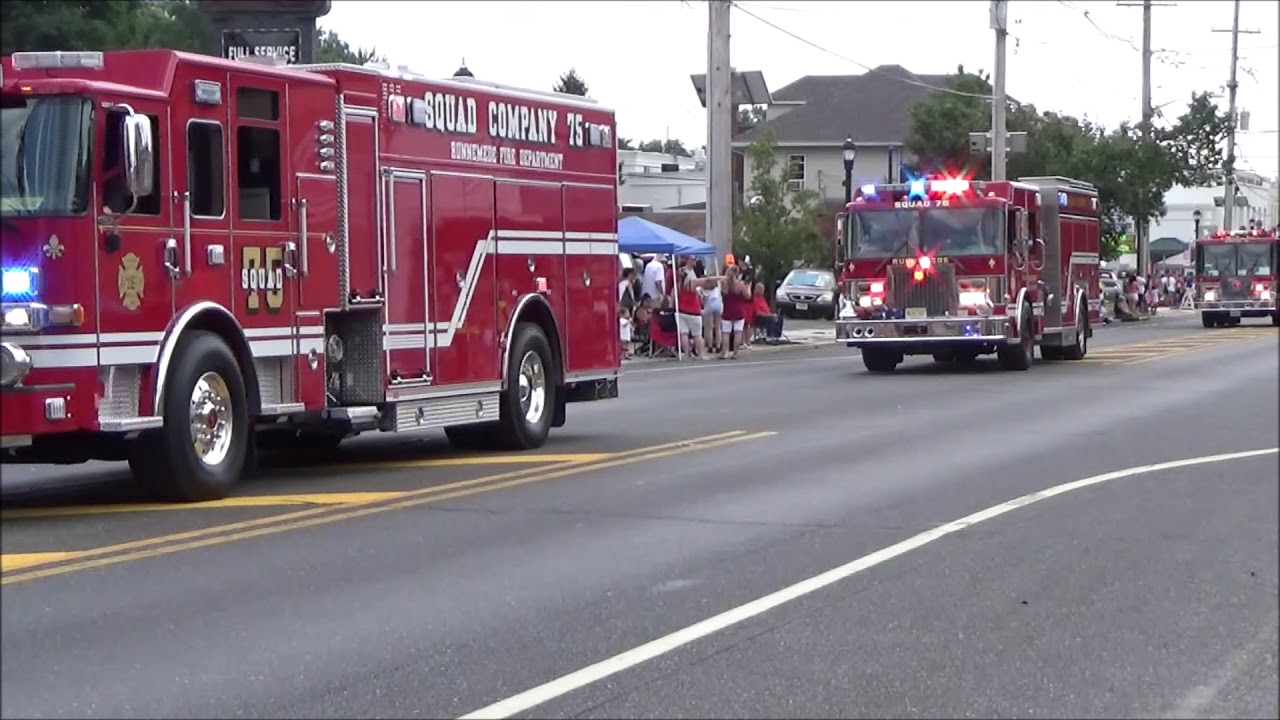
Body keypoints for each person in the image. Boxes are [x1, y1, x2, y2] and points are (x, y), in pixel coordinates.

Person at [675, 255, 713, 360]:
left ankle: (686, 354)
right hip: (692, 309)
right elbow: (704, 282)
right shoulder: (690, 278)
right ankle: (701, 354)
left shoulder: (680, 277)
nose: (695, 261)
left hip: (681, 308)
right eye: (693, 259)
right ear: (688, 260)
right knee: (697, 334)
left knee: (684, 333)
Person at [719, 265, 749, 359]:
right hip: (738, 310)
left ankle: (724, 352)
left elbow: (722, 295)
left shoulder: (724, 284)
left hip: (727, 310)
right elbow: (748, 297)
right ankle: (735, 353)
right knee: (738, 332)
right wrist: (748, 287)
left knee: (725, 333)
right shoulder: (740, 285)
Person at [699, 262, 724, 355]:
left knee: (708, 327)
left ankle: (709, 346)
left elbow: (701, 298)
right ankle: (718, 346)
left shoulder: (702, 289)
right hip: (718, 304)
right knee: (718, 327)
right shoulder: (717, 287)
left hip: (709, 304)